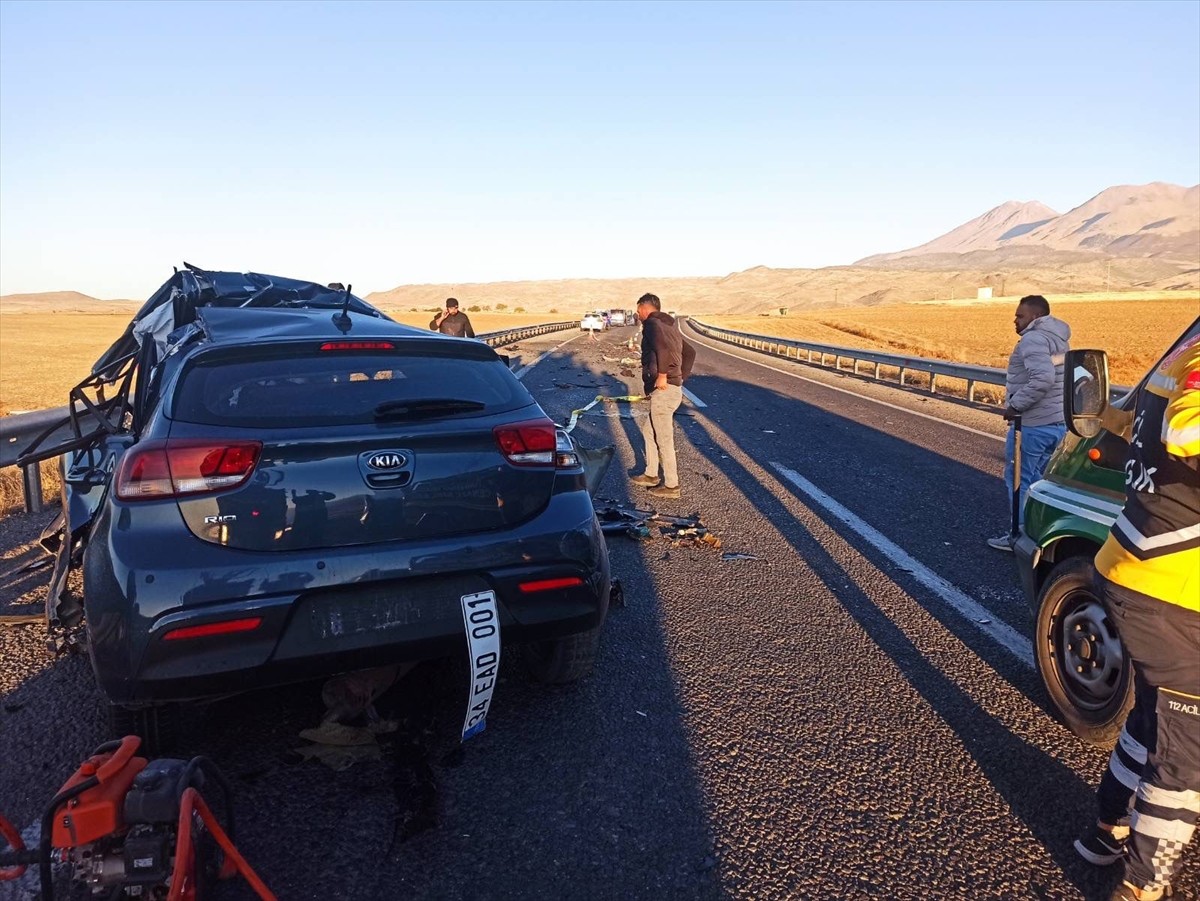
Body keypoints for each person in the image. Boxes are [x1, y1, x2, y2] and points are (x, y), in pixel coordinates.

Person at [1073, 331, 1199, 901]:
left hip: (1135, 564)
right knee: (1186, 756)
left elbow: (1129, 424)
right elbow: (1185, 429)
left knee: (1154, 716)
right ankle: (1142, 886)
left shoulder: (1185, 346)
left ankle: (1106, 831)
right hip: (1173, 586)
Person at [987, 294, 1071, 551]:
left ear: (1035, 317)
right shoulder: (1059, 339)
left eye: (1020, 315)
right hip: (1057, 423)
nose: (1015, 320)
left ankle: (1019, 538)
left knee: (1019, 481)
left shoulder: (1033, 339)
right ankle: (1040, 535)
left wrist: (1015, 405)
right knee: (1041, 484)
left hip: (1033, 425)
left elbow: (1043, 379)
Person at [630, 294, 694, 500]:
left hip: (664, 391)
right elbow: (690, 352)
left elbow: (662, 349)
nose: (637, 314)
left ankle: (672, 485)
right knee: (649, 432)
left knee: (664, 438)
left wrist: (665, 376)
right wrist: (680, 377)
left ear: (645, 308)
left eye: (638, 310)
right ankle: (650, 474)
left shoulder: (652, 324)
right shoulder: (670, 326)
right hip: (671, 389)